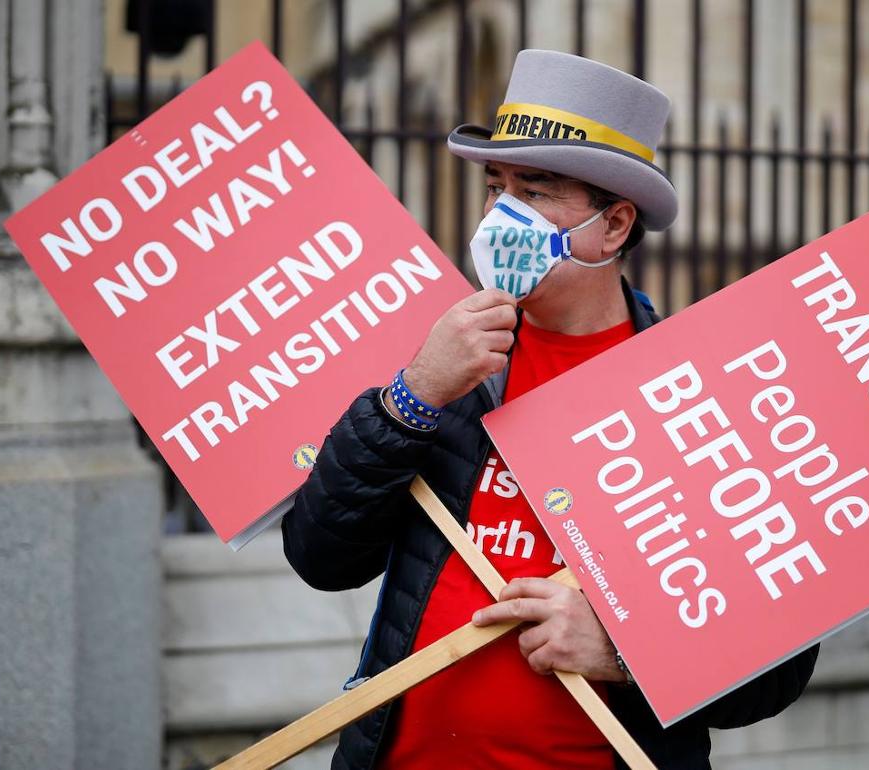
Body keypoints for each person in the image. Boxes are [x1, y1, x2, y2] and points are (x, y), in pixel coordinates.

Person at [282, 49, 819, 770]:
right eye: (495, 188)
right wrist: (414, 397)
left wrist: (626, 653)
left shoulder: (698, 393)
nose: (501, 215)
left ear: (614, 225)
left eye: (534, 192)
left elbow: (778, 669)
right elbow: (321, 557)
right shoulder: (450, 358)